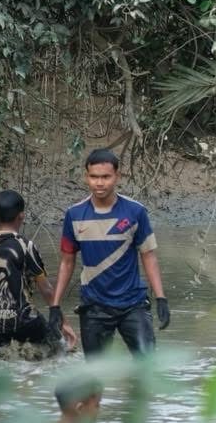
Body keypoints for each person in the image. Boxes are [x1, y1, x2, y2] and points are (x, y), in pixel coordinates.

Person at [47, 149, 166, 358]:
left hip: (133, 305)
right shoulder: (74, 215)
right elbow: (67, 262)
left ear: (117, 176)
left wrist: (161, 298)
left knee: (147, 369)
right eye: (94, 177)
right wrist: (55, 305)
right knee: (95, 376)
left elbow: (149, 256)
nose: (99, 183)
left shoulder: (135, 211)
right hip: (94, 307)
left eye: (105, 177)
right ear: (86, 177)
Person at [0, 190, 76, 353]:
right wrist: (63, 322)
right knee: (59, 353)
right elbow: (46, 289)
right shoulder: (25, 246)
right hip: (25, 319)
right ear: (22, 216)